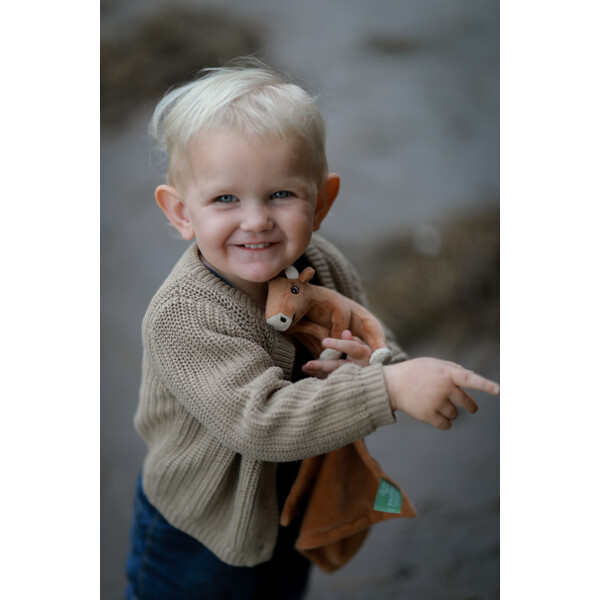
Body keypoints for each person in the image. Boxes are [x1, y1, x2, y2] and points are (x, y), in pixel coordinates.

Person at [125, 58, 499, 600]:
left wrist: (375, 364)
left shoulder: (319, 264)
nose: (256, 219)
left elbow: (372, 339)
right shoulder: (184, 317)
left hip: (291, 504)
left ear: (321, 202)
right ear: (182, 212)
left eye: (281, 194)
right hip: (201, 528)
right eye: (225, 198)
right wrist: (387, 388)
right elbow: (259, 422)